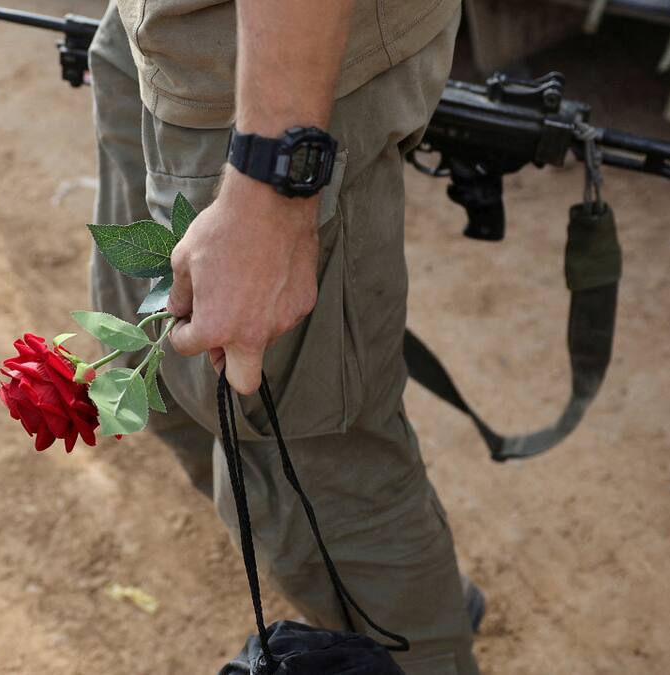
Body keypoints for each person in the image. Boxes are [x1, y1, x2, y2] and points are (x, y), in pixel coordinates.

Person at [88, 1, 481, 672]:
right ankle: (381, 617)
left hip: (275, 83)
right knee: (159, 377)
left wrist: (273, 188)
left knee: (323, 464)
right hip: (180, 44)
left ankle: (416, 639)